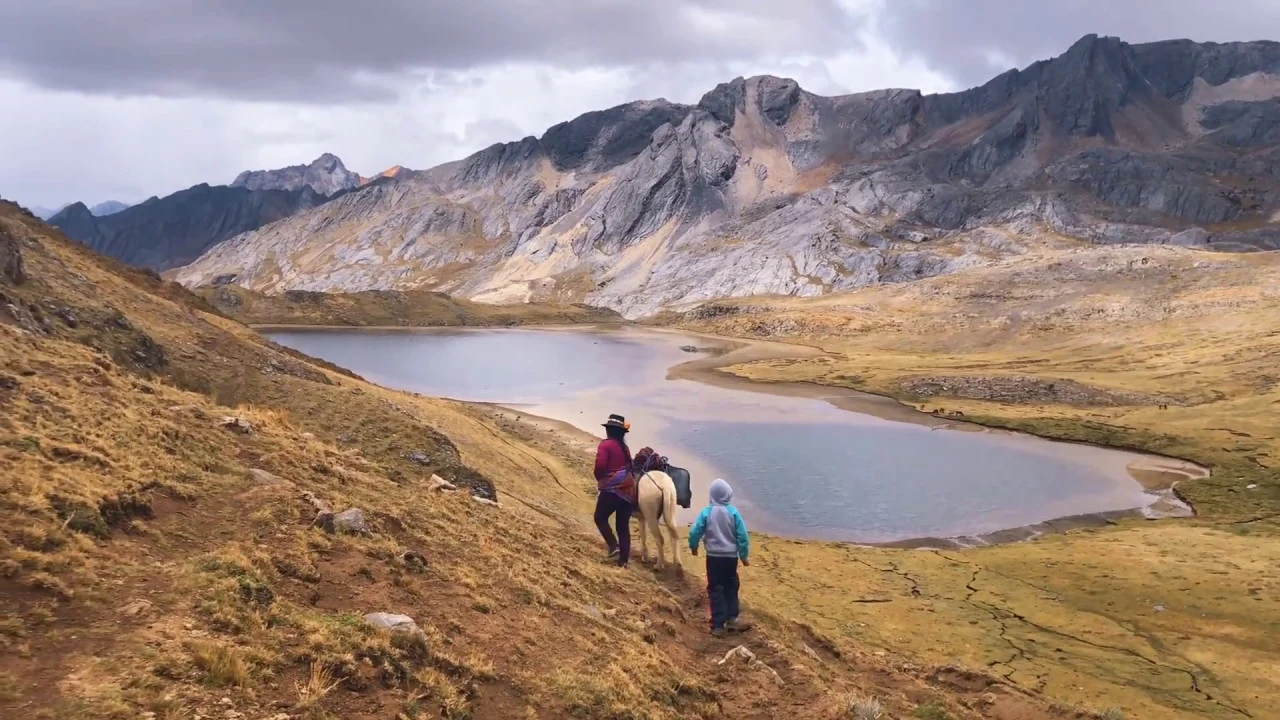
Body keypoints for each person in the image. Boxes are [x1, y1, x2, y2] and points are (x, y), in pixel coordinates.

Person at [688, 478, 752, 637]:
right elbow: (743, 537)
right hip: (731, 559)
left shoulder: (707, 512)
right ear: (728, 494)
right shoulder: (733, 512)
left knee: (715, 588)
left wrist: (694, 546)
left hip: (713, 558)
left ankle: (717, 625)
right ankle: (732, 619)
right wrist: (743, 556)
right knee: (731, 585)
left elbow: (695, 532)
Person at [594, 413, 635, 567]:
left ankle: (613, 546)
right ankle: (623, 562)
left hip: (611, 491)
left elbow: (600, 467)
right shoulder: (625, 448)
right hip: (628, 491)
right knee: (623, 526)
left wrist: (602, 481)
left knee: (600, 518)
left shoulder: (605, 445)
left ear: (608, 430)